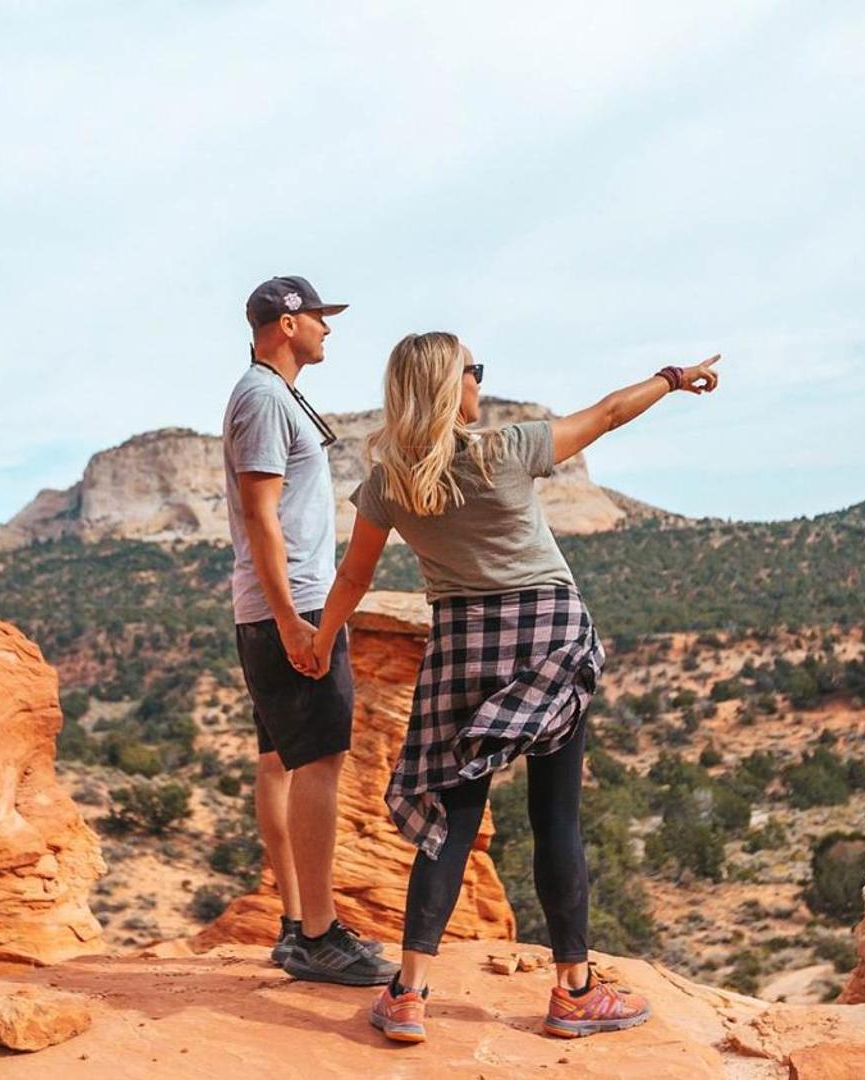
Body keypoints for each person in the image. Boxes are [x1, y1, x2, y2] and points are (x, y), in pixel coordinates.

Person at [305, 332, 720, 1042]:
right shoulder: (505, 448)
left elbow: (353, 577)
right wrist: (672, 378)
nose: (480, 383)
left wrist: (320, 641)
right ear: (451, 385)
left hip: (463, 644)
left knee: (451, 821)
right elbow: (611, 413)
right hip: (548, 635)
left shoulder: (389, 481)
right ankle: (573, 993)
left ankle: (408, 994)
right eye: (475, 371)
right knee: (556, 817)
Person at [222, 275, 399, 987]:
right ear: (287, 323)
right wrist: (296, 619)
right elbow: (260, 515)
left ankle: (300, 921)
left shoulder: (271, 395)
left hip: (278, 606)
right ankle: (318, 936)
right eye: (320, 318)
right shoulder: (264, 397)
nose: (329, 329)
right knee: (321, 760)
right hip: (288, 606)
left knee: (281, 763)